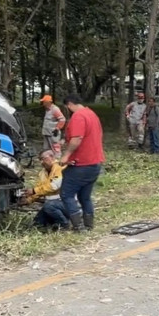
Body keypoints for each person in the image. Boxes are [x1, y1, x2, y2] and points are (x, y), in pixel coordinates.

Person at [60, 94, 105, 232]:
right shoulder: (91, 114)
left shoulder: (78, 117)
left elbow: (77, 138)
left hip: (81, 164)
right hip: (95, 162)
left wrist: (66, 155)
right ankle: (89, 224)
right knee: (84, 196)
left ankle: (78, 226)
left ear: (69, 105)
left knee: (66, 194)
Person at [26, 150, 70, 230]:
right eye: (40, 160)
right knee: (37, 224)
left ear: (52, 157)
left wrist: (33, 191)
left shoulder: (60, 168)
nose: (41, 162)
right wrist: (29, 199)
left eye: (43, 159)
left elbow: (54, 186)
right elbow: (40, 188)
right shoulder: (43, 173)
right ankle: (55, 221)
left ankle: (64, 224)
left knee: (49, 207)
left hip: (65, 203)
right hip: (52, 204)